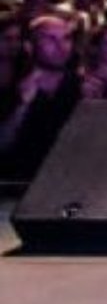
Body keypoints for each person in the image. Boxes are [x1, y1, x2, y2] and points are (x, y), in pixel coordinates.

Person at [0, 15, 84, 181]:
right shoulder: (14, 85)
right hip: (19, 184)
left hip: (68, 179)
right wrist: (23, 105)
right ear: (30, 46)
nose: (61, 47)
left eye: (66, 39)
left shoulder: (79, 85)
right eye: (51, 40)